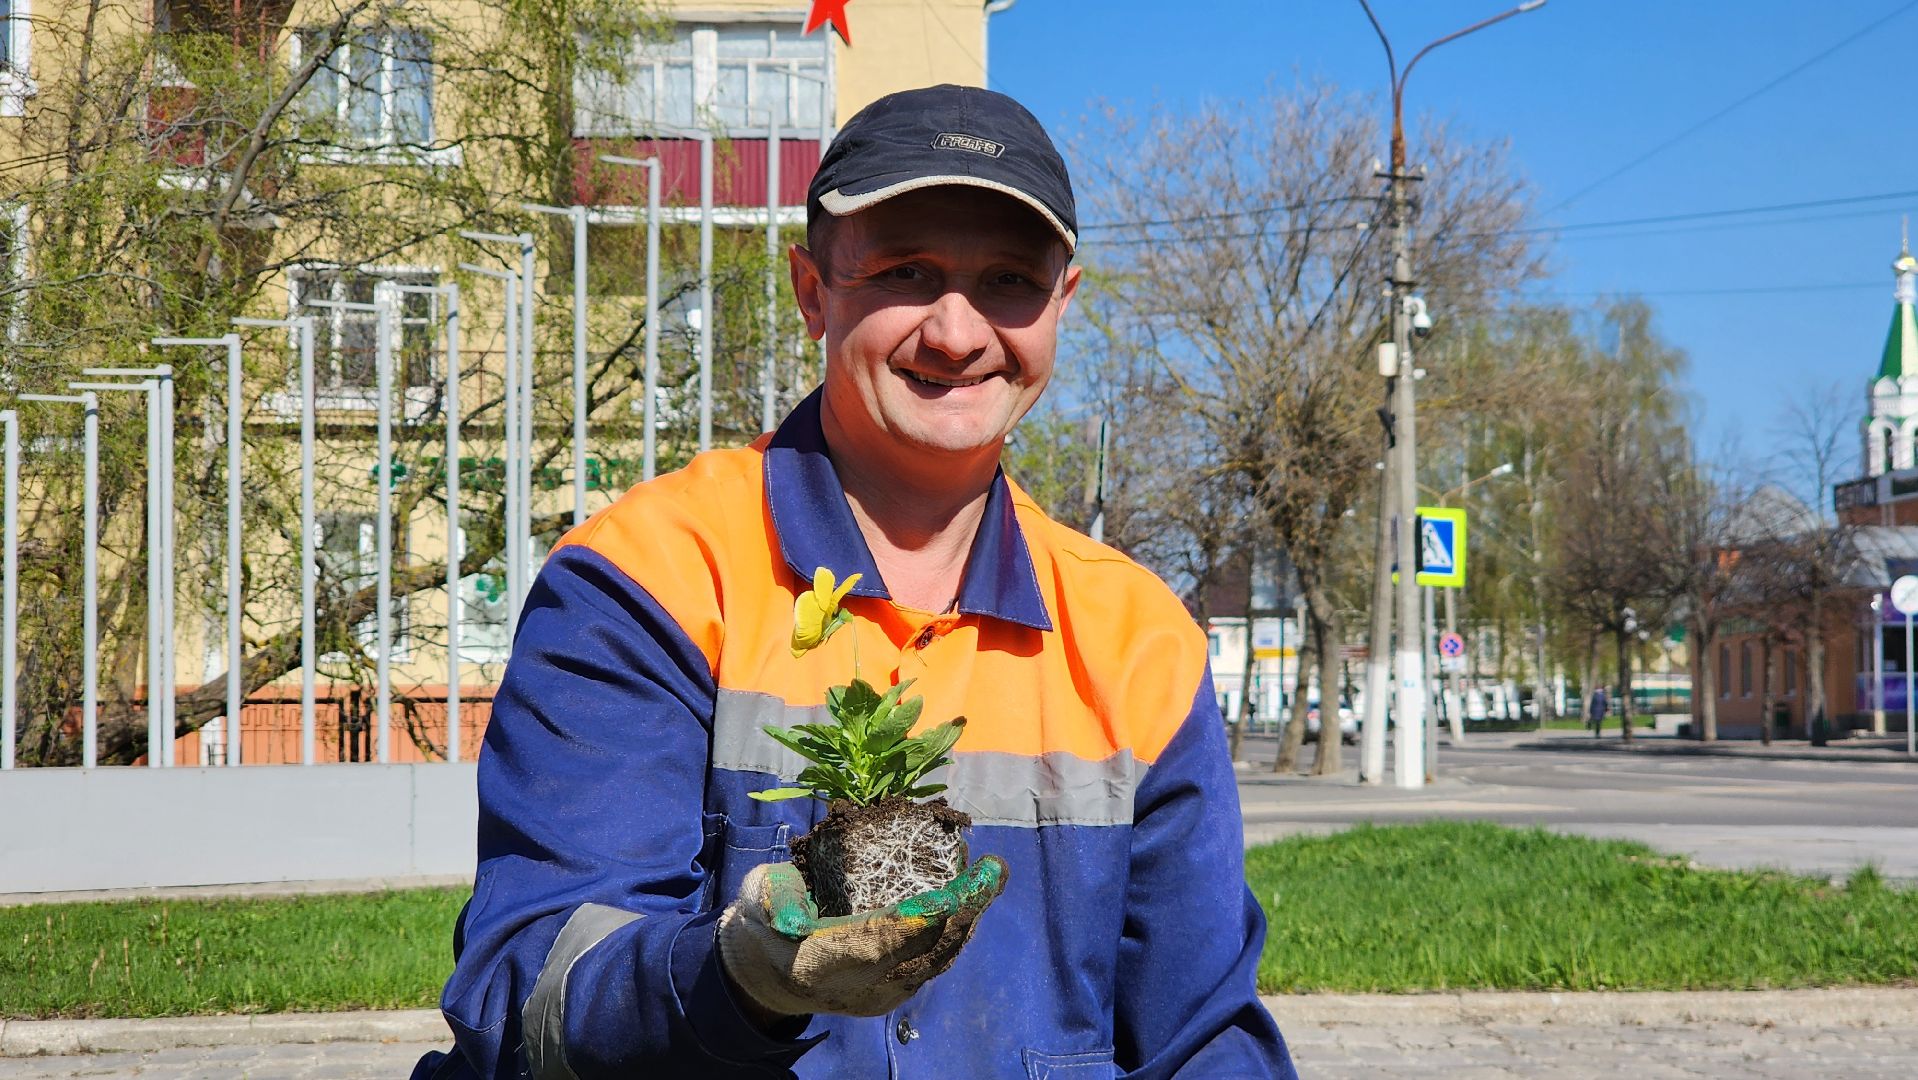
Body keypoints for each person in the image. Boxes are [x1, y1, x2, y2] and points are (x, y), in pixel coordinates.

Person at [412, 84, 1296, 1079]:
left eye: (1009, 280)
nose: (958, 334)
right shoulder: (649, 578)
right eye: (905, 272)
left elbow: (1202, 1043)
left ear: (1063, 305)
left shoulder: (1137, 639)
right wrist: (745, 974)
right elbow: (532, 998)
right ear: (810, 290)